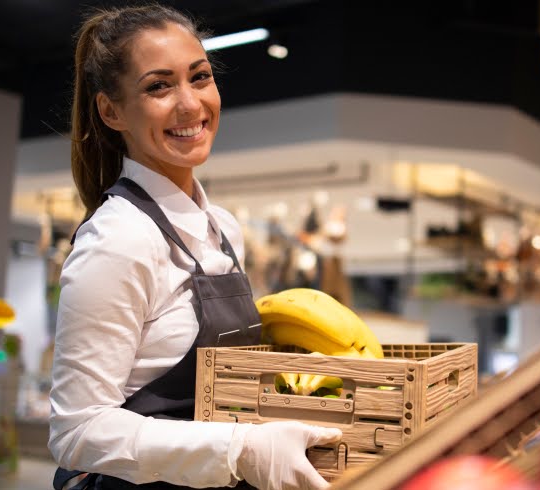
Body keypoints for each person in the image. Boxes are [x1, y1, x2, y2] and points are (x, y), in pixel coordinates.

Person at [47, 5, 342, 489]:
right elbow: (77, 431)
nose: (189, 104)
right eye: (158, 86)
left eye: (199, 77)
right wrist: (240, 449)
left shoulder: (222, 229)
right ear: (111, 111)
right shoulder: (119, 240)